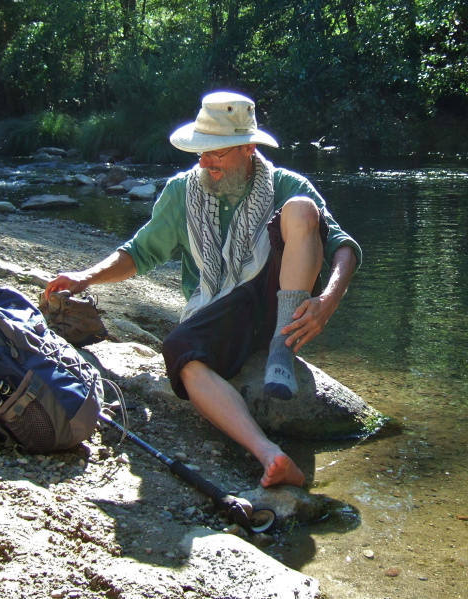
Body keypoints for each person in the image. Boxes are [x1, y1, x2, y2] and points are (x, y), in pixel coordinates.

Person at [46, 91, 361, 488]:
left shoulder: (285, 183)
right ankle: (272, 457)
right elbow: (139, 252)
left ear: (248, 148)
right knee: (179, 349)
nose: (204, 162)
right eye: (201, 152)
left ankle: (280, 353)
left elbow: (343, 248)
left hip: (284, 303)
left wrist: (328, 301)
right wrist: (85, 277)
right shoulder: (182, 192)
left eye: (216, 152)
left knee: (300, 209)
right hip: (225, 309)